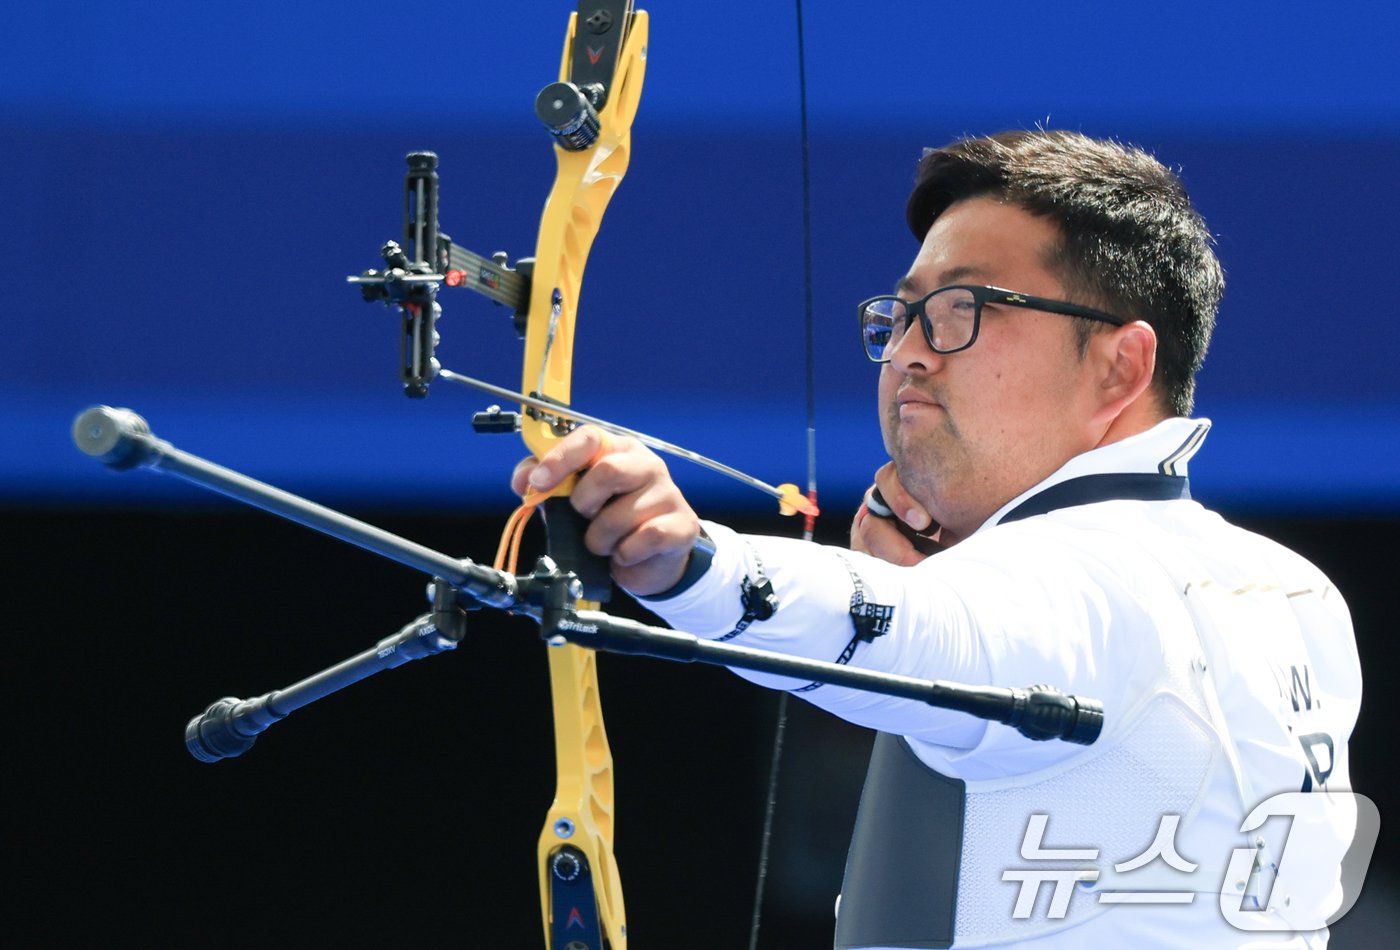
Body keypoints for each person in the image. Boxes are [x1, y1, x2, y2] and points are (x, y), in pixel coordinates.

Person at [513, 130, 1362, 947]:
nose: (909, 353)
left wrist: (690, 561)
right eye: (904, 315)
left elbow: (937, 628)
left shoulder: (1087, 580)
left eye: (963, 309)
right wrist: (946, 582)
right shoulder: (1294, 591)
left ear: (1120, 367)